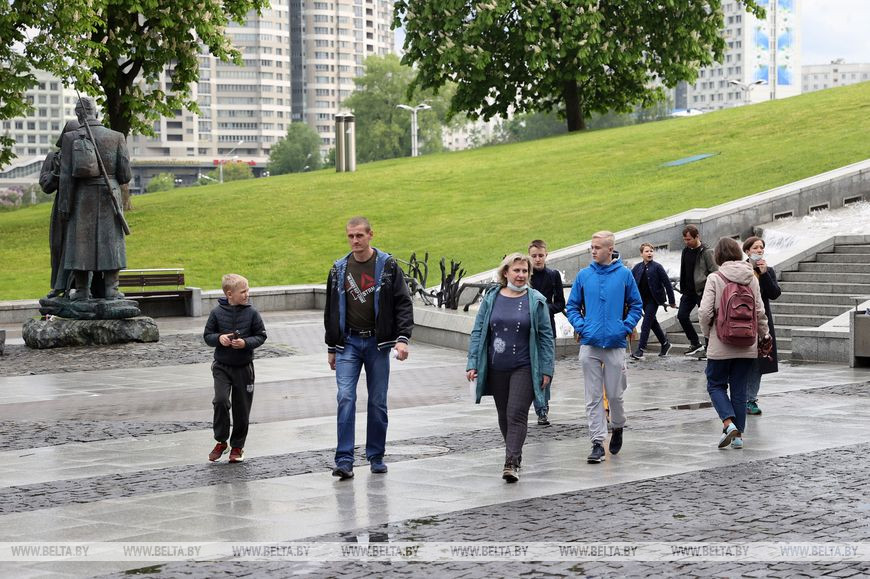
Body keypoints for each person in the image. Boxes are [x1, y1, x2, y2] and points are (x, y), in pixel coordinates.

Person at [324, 216, 414, 480]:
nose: (355, 240)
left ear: (370, 235)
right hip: (348, 344)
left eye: (359, 235)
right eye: (350, 236)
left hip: (377, 343)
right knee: (345, 397)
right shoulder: (339, 268)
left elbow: (403, 302)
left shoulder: (387, 266)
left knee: (377, 400)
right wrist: (331, 346)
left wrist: (402, 338)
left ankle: (376, 456)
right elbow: (331, 308)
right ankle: (344, 460)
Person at [466, 253, 555, 482]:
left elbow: (546, 337)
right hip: (496, 367)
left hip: (524, 366)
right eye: (516, 270)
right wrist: (473, 362)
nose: (521, 275)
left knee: (516, 412)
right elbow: (478, 331)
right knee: (504, 415)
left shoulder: (536, 300)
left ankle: (511, 462)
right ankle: (515, 452)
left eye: (525, 271)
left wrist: (547, 368)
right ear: (505, 272)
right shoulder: (491, 297)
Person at [565, 231, 642, 463]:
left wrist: (624, 327)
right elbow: (572, 306)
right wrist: (582, 326)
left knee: (615, 394)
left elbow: (636, 304)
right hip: (590, 343)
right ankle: (597, 442)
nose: (593, 251)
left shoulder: (625, 274)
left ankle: (617, 426)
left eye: (597, 247)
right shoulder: (584, 275)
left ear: (610, 249)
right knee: (593, 396)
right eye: (592, 247)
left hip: (615, 343)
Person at [58, 96, 132, 300]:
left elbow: (66, 177)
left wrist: (65, 205)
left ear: (78, 114)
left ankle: (82, 290)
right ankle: (112, 289)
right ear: (96, 112)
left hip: (82, 197)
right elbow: (125, 175)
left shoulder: (70, 137)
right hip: (110, 195)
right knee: (111, 241)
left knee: (80, 243)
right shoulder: (117, 136)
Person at [698, 237, 769, 450]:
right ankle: (738, 437)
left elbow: (705, 312)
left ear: (718, 256)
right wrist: (764, 335)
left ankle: (728, 424)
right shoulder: (751, 277)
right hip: (747, 342)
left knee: (715, 384)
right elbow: (759, 311)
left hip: (721, 341)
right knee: (739, 389)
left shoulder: (715, 278)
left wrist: (708, 334)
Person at [203, 274, 268, 463]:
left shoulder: (252, 313)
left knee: (242, 408)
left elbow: (261, 336)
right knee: (221, 401)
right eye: (243, 291)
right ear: (229, 294)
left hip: (244, 368)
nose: (247, 294)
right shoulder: (216, 313)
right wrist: (219, 338)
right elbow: (208, 336)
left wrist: (245, 343)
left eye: (248, 290)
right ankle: (221, 441)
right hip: (222, 367)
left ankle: (237, 446)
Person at [39, 120, 80, 298]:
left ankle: (81, 287)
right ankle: (58, 285)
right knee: (58, 245)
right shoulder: (53, 157)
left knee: (80, 248)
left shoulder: (84, 154)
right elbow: (45, 186)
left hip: (81, 205)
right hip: (61, 207)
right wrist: (57, 173)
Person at [742, 236, 781, 416]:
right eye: (755, 248)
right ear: (747, 251)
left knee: (758, 361)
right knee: (743, 360)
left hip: (761, 321)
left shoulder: (768, 270)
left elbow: (774, 294)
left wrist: (764, 274)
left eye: (761, 248)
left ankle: (750, 399)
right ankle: (739, 397)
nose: (759, 250)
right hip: (742, 319)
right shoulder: (740, 269)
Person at [528, 239, 565, 426]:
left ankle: (543, 407)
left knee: (546, 368)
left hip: (547, 328)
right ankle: (536, 405)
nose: (537, 259)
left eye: (540, 255)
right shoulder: (525, 275)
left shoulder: (553, 275)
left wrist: (545, 309)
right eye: (534, 256)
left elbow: (560, 303)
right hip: (527, 327)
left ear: (546, 255)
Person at [630, 243, 676, 359]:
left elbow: (667, 284)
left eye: (651, 251)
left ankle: (640, 350)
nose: (649, 253)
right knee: (653, 322)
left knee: (646, 323)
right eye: (647, 251)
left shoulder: (657, 267)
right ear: (641, 254)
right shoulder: (637, 268)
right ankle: (665, 344)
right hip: (642, 300)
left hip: (654, 300)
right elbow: (630, 283)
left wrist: (672, 301)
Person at [677, 225, 717, 358]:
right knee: (682, 316)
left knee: (706, 319)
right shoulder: (685, 251)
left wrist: (709, 288)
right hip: (688, 292)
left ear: (697, 237)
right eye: (684, 239)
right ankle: (695, 343)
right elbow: (683, 270)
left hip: (703, 291)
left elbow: (714, 271)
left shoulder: (707, 252)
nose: (686, 242)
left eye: (689, 239)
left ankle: (709, 348)